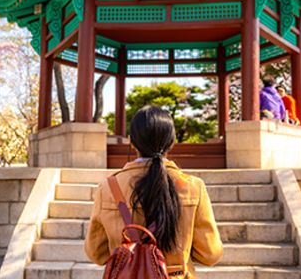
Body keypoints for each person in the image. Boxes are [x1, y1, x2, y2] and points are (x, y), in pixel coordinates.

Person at [84, 106, 223, 278]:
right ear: (171, 141)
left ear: (131, 141)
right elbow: (210, 254)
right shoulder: (193, 187)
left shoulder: (108, 187)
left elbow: (97, 254)